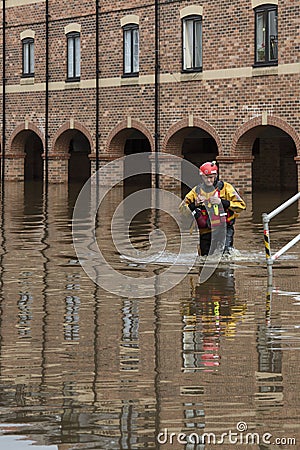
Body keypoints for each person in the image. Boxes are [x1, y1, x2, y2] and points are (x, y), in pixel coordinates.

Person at [182, 161, 246, 256]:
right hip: (205, 230)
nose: (208, 181)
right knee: (205, 257)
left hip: (224, 228)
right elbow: (181, 210)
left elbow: (241, 206)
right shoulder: (196, 191)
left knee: (225, 255)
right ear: (201, 177)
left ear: (216, 176)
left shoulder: (226, 188)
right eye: (205, 177)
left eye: (211, 177)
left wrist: (222, 202)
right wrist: (194, 204)